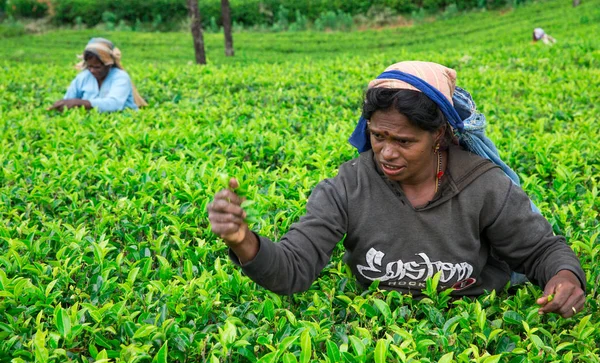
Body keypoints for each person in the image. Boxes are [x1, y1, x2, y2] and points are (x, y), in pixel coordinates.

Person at [207, 61, 585, 319]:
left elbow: (541, 250)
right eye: (378, 136)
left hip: (470, 329)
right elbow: (293, 269)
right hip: (378, 331)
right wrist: (244, 241)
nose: (386, 152)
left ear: (438, 135)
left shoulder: (483, 186)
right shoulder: (349, 185)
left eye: (404, 141)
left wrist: (564, 278)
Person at [48, 38, 147, 113]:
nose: (92, 71)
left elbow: (115, 104)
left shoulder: (120, 77)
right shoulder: (83, 77)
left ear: (109, 64)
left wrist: (80, 103)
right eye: (89, 66)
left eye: (97, 67)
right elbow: (69, 101)